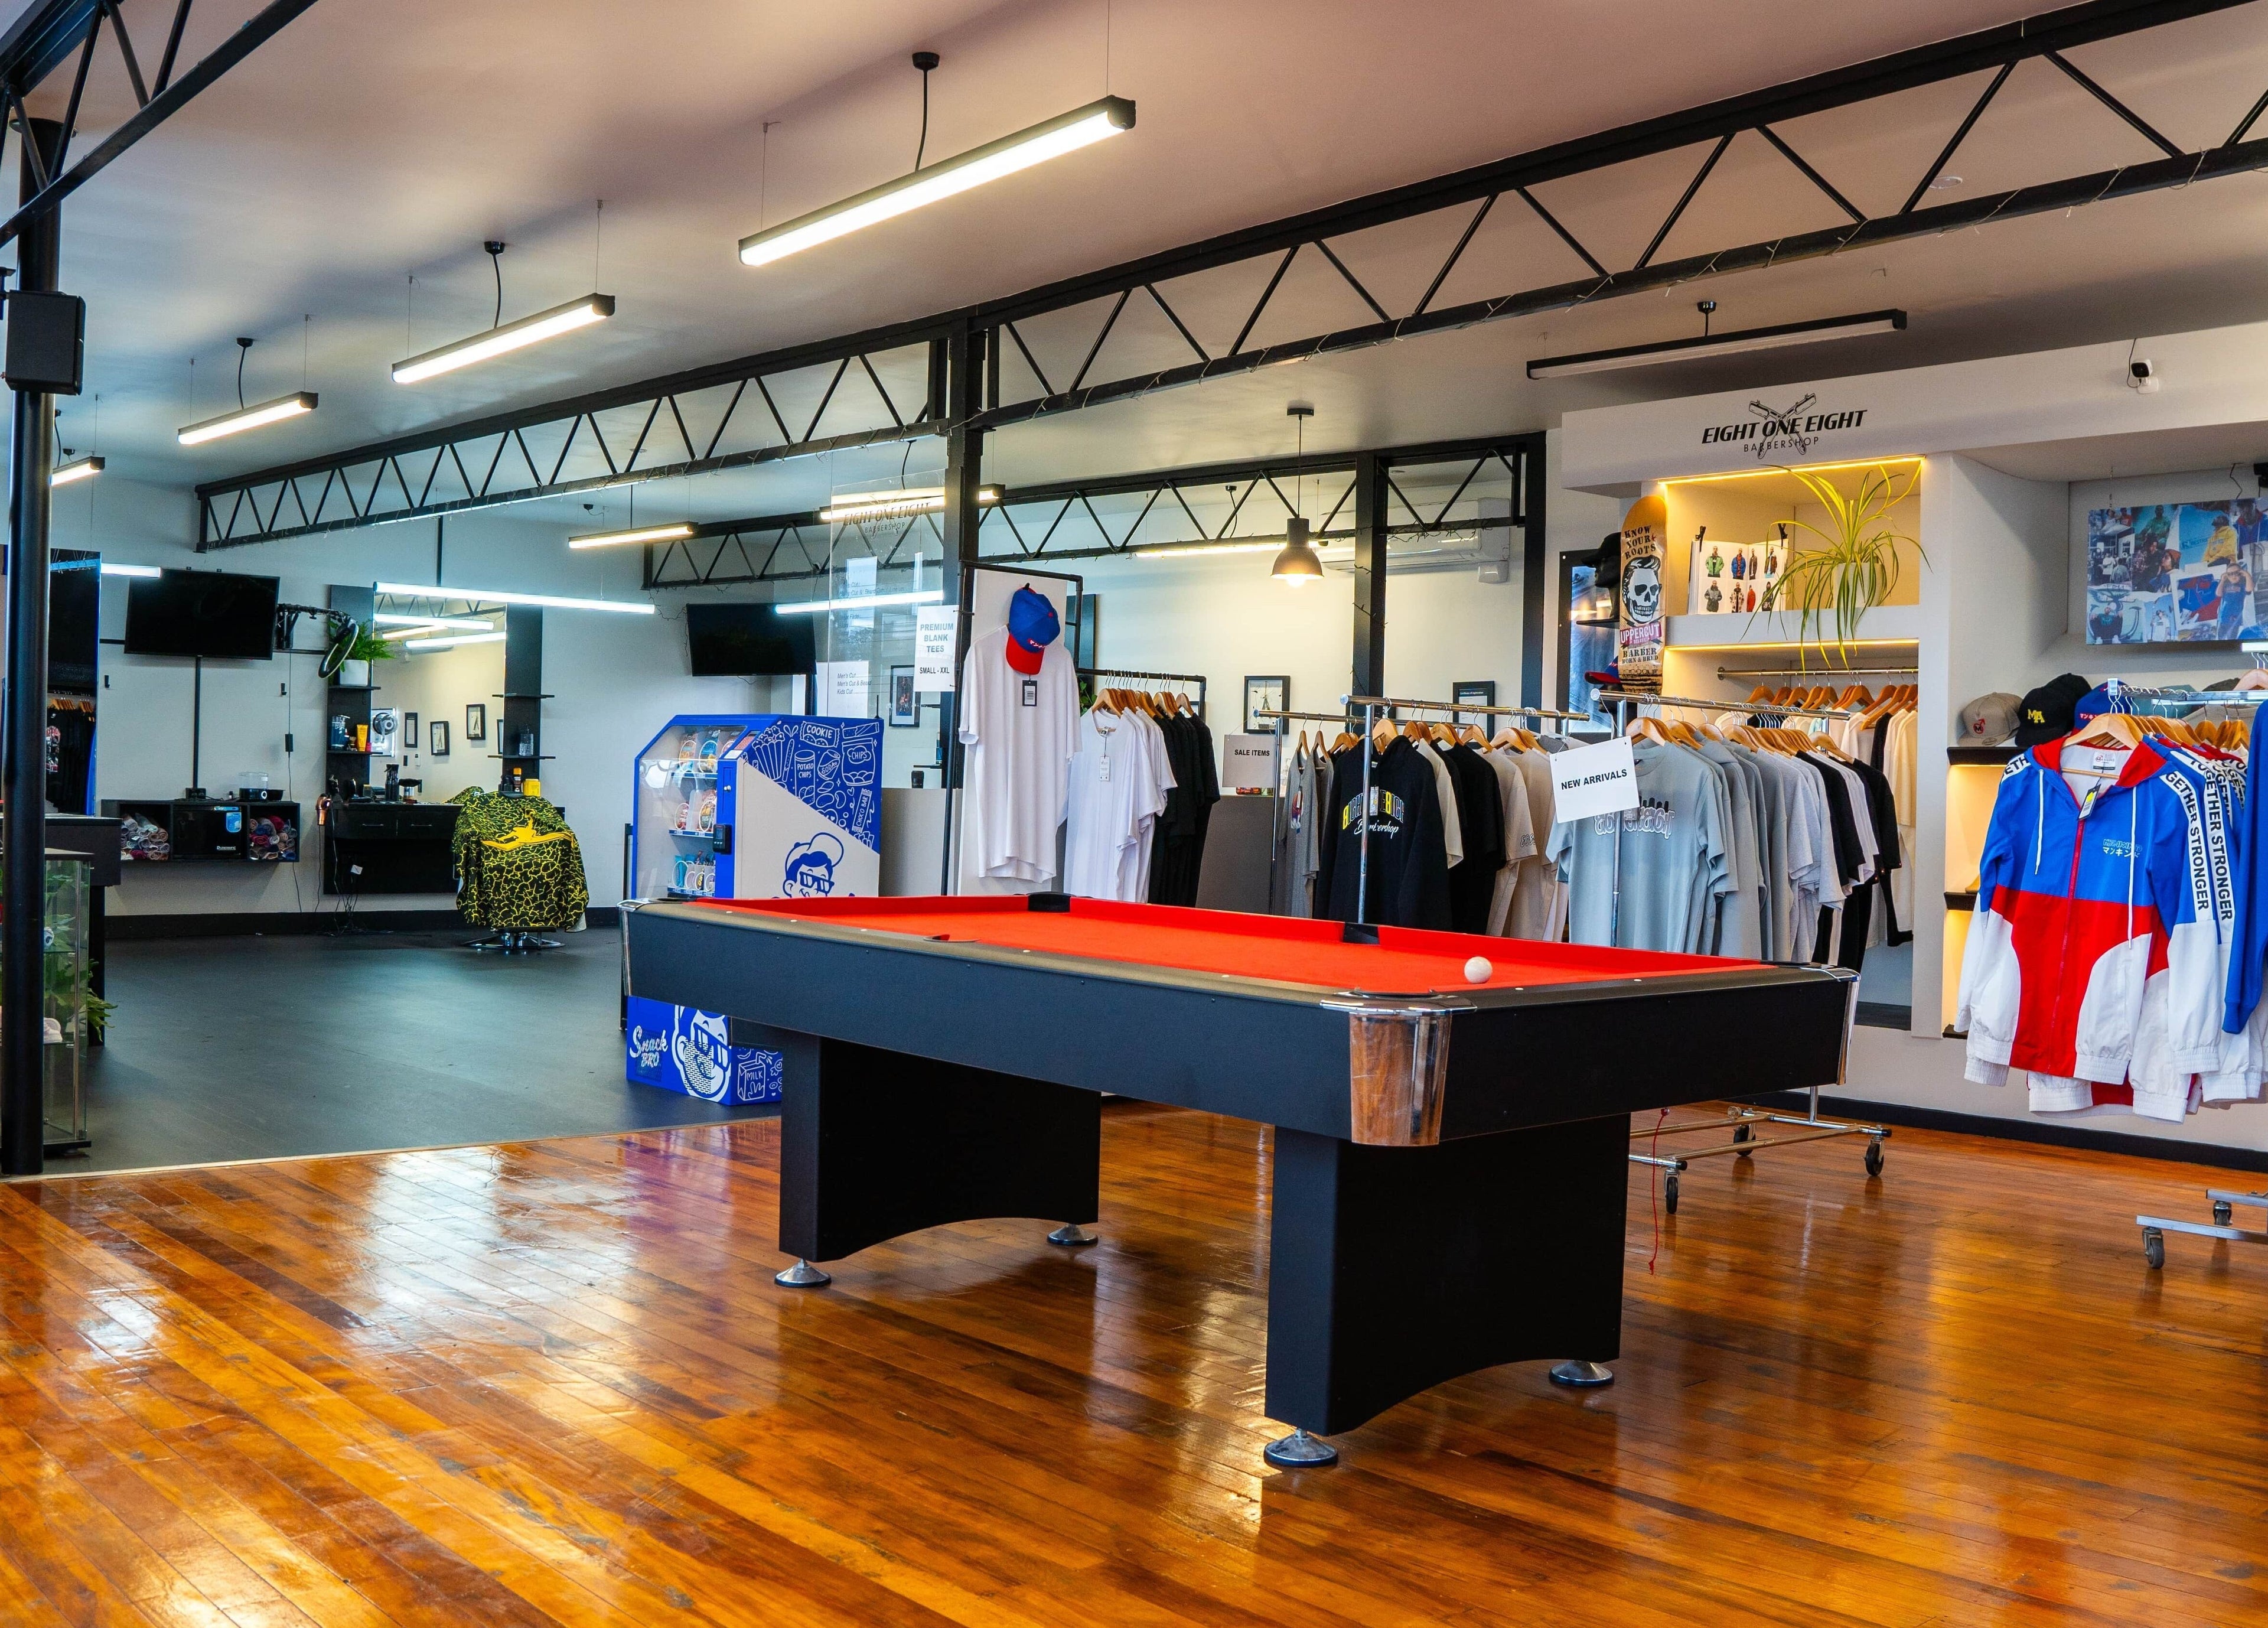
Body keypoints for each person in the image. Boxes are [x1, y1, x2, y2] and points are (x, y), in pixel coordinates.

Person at [2219, 559, 2254, 639]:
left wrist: (2246, 574)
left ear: (2240, 573)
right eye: (2230, 574)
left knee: (2232, 638)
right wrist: (2222, 581)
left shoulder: (2242, 584)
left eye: (2237, 573)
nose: (2234, 576)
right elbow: (2219, 594)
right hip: (2224, 616)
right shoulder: (2225, 584)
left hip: (2235, 618)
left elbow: (2250, 589)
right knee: (2221, 638)